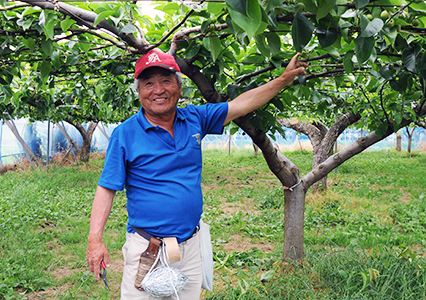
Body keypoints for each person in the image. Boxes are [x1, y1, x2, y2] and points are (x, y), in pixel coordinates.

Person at [86, 49, 308, 300]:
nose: (158, 90)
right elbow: (107, 188)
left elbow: (240, 105)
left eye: (166, 81)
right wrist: (95, 239)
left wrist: (282, 80)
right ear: (139, 93)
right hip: (147, 247)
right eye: (149, 83)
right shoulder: (125, 134)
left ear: (179, 89)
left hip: (189, 245)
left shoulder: (194, 119)